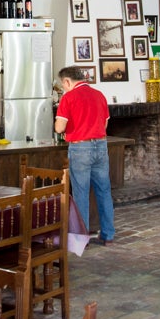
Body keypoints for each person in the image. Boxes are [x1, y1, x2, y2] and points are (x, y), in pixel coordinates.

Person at [54, 66, 115, 245]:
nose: (63, 88)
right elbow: (104, 126)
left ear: (67, 81)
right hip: (101, 146)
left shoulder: (68, 98)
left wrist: (67, 130)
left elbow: (59, 127)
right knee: (104, 191)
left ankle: (82, 238)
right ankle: (108, 234)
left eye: (62, 84)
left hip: (80, 148)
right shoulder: (99, 95)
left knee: (81, 193)